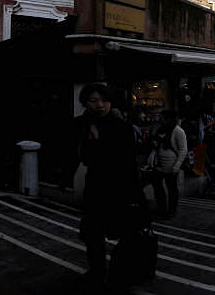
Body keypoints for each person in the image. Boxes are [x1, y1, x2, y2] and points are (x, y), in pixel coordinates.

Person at [74, 83, 150, 285]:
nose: (100, 105)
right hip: (95, 188)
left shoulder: (120, 127)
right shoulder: (81, 125)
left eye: (104, 100)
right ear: (85, 103)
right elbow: (84, 157)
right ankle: (97, 271)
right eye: (93, 100)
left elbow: (126, 162)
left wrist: (136, 195)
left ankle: (121, 273)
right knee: (93, 235)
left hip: (120, 189)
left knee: (126, 234)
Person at [150, 110, 187, 219]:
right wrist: (152, 156)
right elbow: (156, 145)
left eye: (162, 118)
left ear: (168, 119)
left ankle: (171, 210)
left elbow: (183, 150)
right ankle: (161, 208)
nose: (160, 119)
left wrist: (177, 165)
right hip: (159, 165)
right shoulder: (160, 129)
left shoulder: (178, 131)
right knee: (157, 187)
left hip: (172, 166)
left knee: (172, 189)